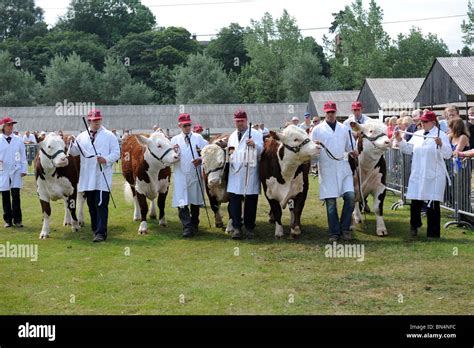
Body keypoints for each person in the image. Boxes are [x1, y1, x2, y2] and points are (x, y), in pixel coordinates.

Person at [394, 111, 452, 239]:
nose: (422, 124)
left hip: (434, 174)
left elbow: (448, 154)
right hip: (418, 173)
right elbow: (408, 149)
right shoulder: (418, 134)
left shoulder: (441, 135)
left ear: (433, 122)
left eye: (425, 121)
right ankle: (414, 226)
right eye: (421, 121)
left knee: (433, 204)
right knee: (415, 202)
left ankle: (433, 233)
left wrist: (441, 144)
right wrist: (399, 140)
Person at [69, 110, 120, 242]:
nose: (96, 122)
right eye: (94, 120)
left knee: (101, 204)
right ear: (89, 120)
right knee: (91, 204)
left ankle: (101, 232)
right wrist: (70, 142)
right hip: (87, 177)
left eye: (98, 120)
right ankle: (95, 228)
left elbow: (116, 153)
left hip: (102, 176)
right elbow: (74, 152)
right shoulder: (81, 136)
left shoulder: (109, 136)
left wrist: (106, 159)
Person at [311, 102, 357, 242]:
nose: (330, 115)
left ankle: (345, 228)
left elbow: (350, 146)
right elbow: (311, 151)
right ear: (324, 113)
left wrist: (354, 152)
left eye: (332, 112)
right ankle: (334, 232)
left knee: (350, 197)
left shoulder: (345, 129)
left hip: (343, 168)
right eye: (328, 112)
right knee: (331, 202)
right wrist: (315, 150)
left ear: (336, 112)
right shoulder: (317, 130)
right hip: (327, 168)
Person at [227, 110, 263, 240]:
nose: (240, 123)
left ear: (246, 120)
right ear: (234, 121)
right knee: (235, 201)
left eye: (242, 121)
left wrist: (254, 144)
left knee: (250, 202)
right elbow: (230, 150)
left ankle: (249, 228)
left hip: (250, 170)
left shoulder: (255, 134)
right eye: (237, 121)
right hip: (235, 172)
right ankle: (237, 227)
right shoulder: (232, 135)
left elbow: (261, 149)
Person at [171, 114, 208, 238]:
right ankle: (186, 226)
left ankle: (194, 222)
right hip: (180, 174)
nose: (187, 127)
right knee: (182, 200)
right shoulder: (174, 140)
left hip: (194, 173)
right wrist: (174, 155)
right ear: (179, 126)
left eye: (189, 125)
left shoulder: (198, 138)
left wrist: (201, 159)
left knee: (195, 199)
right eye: (184, 125)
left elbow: (206, 153)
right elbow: (169, 157)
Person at [0, 117, 27, 228]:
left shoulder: (18, 139)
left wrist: (24, 169)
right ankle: (8, 220)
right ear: (3, 127)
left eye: (12, 125)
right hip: (3, 170)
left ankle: (18, 220)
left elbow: (23, 155)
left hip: (16, 169)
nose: (11, 127)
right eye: (8, 125)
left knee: (16, 195)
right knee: (5, 195)